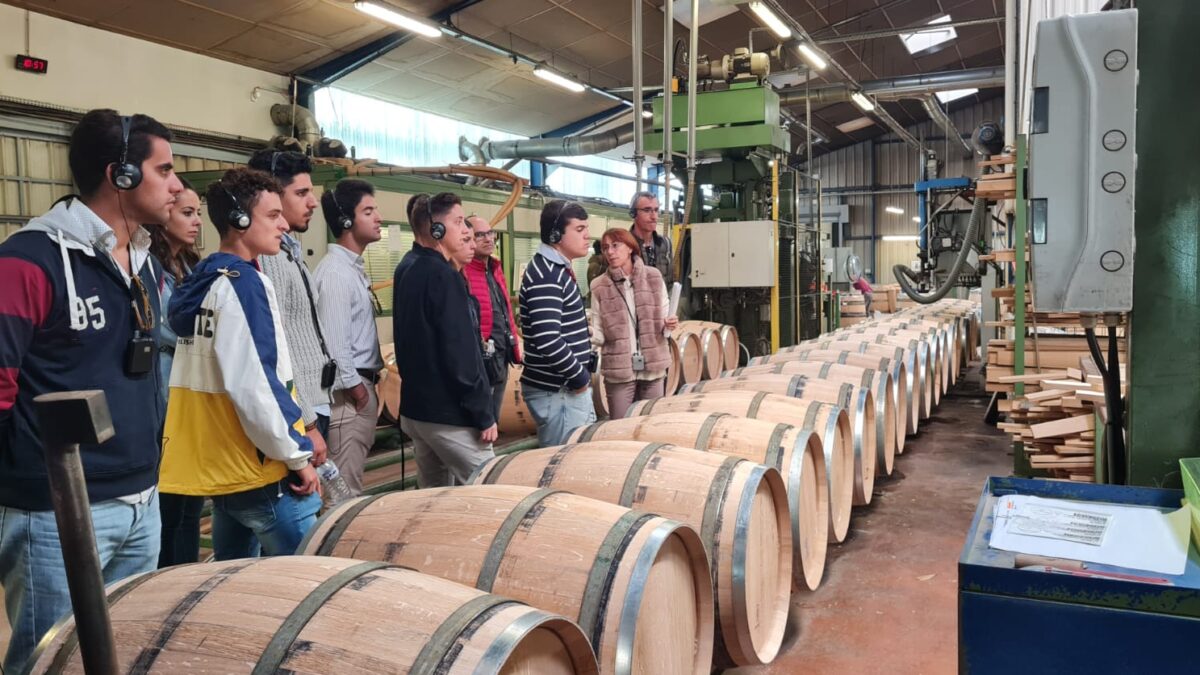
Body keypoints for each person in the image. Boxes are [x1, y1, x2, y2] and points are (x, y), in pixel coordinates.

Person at [0, 109, 182, 673]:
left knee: (118, 654)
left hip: (141, 499)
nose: (177, 185)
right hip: (56, 513)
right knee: (46, 660)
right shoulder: (27, 261)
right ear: (120, 175)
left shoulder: (147, 265)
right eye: (166, 169)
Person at [159, 167, 321, 561]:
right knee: (313, 583)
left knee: (236, 586)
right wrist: (297, 455)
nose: (284, 224)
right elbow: (255, 385)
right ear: (239, 221)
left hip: (224, 472)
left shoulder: (204, 279)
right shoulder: (243, 284)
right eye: (272, 215)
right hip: (260, 468)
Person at [392, 193, 497, 487]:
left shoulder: (408, 266)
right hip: (449, 415)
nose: (467, 231)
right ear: (436, 229)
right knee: (491, 490)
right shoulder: (442, 275)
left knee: (434, 497)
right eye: (458, 222)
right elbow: (459, 354)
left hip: (418, 412)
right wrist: (483, 413)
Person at [248, 150, 329, 468]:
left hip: (312, 402)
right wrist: (307, 422)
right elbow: (276, 347)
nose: (313, 202)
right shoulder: (268, 256)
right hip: (300, 412)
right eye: (301, 193)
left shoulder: (288, 251)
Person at [312, 179, 384, 497]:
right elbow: (336, 347)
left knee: (348, 487)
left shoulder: (350, 269)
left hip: (358, 393)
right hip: (348, 400)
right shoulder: (337, 275)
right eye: (368, 211)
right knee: (342, 494)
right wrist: (358, 391)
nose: (378, 217)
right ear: (346, 221)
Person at [147, 177, 204, 568]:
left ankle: (186, 572)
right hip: (166, 389)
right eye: (187, 212)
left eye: (199, 213)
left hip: (193, 387)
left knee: (191, 505)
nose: (196, 221)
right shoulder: (150, 268)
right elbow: (169, 324)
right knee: (170, 506)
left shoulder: (192, 264)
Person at [518, 199, 596, 446]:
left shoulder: (556, 270)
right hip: (559, 392)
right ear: (555, 234)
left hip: (564, 390)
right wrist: (580, 378)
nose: (588, 236)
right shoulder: (547, 275)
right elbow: (548, 339)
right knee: (560, 465)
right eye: (580, 229)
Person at [590, 229, 678, 419]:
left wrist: (669, 325)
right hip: (618, 370)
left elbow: (664, 322)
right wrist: (584, 333)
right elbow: (598, 331)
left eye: (615, 245)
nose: (610, 252)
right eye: (605, 248)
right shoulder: (599, 286)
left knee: (650, 425)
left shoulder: (653, 277)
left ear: (630, 248)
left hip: (653, 367)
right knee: (619, 427)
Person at [463, 215, 522, 422]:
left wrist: (514, 345)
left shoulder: (495, 269)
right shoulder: (464, 272)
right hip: (482, 360)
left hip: (501, 354)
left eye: (490, 233)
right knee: (480, 420)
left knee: (493, 417)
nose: (488, 239)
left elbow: (504, 310)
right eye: (480, 235)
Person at [628, 191, 673, 284]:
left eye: (656, 210)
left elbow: (670, 280)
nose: (654, 217)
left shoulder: (665, 243)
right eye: (647, 210)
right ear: (633, 213)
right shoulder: (624, 244)